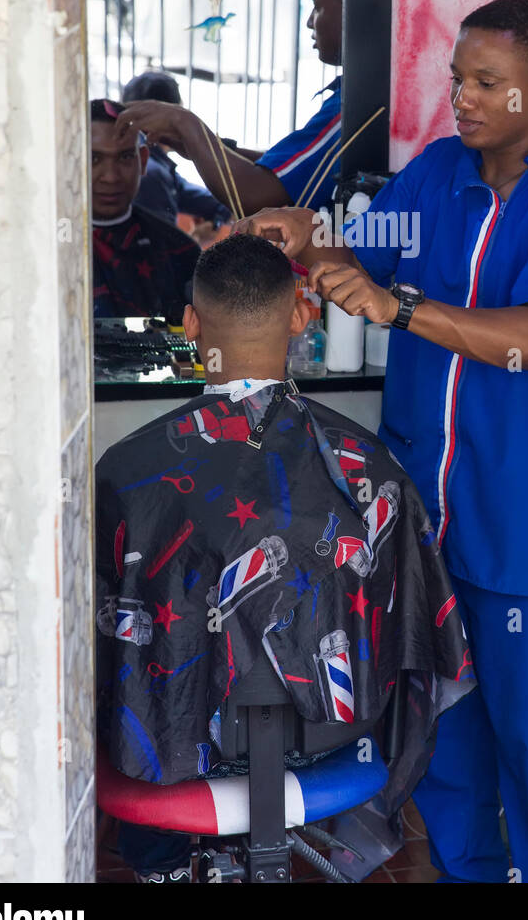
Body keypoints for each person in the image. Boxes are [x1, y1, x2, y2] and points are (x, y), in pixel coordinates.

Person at [236, 0, 528, 884]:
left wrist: (404, 308)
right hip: (424, 518)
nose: (465, 98)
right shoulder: (435, 175)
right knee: (445, 741)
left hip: (523, 518)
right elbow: (361, 257)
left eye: (489, 83)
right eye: (459, 80)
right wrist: (306, 240)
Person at [96, 234, 474, 882]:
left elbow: (101, 655)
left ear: (190, 325)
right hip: (331, 739)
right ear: (302, 316)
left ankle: (161, 867)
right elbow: (423, 643)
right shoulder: (371, 465)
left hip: (175, 746)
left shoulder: (126, 472)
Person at [113, 0, 345, 215]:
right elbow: (285, 170)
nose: (309, 21)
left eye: (319, 7)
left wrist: (187, 124)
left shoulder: (349, 110)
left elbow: (257, 196)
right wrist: (204, 145)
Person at [91, 98, 200, 322]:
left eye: (125, 157)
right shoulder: (44, 247)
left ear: (142, 159)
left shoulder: (179, 251)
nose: (111, 177)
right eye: (94, 158)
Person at [121, 70, 232, 237]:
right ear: (169, 116)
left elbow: (211, 202)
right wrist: (194, 241)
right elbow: (159, 253)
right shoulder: (150, 171)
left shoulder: (158, 165)